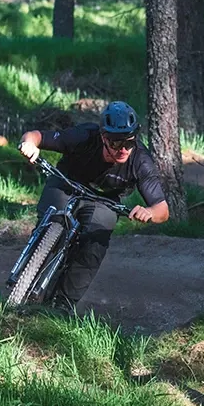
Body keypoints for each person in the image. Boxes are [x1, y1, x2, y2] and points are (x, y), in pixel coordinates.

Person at [17, 101, 171, 314]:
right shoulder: (84, 136)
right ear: (103, 137)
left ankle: (62, 305)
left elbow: (163, 210)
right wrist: (29, 144)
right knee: (52, 220)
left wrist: (150, 212)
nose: (123, 149)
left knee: (94, 244)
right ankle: (24, 279)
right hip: (66, 182)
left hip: (104, 199)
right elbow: (36, 136)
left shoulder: (141, 161)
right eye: (116, 143)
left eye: (129, 143)